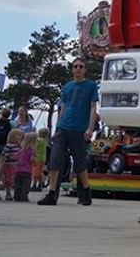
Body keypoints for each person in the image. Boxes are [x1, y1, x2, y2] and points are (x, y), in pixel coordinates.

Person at [38, 58, 98, 206]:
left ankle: (85, 190)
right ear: (72, 69)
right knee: (55, 160)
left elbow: (92, 107)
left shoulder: (90, 86)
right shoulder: (67, 87)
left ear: (85, 70)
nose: (78, 68)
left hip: (79, 129)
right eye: (75, 66)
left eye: (81, 66)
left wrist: (90, 128)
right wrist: (58, 125)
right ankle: (52, 193)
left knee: (79, 163)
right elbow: (63, 107)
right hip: (63, 127)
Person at [0, 127, 23, 200]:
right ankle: (0, 190)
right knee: (9, 180)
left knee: (11, 181)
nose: (21, 137)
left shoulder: (19, 146)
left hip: (16, 165)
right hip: (9, 165)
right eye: (19, 136)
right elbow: (4, 155)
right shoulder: (9, 146)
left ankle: (6, 192)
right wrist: (8, 158)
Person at [13, 131, 36, 202]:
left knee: (17, 184)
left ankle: (17, 196)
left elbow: (16, 157)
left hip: (18, 170)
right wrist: (35, 161)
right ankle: (24, 196)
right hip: (27, 171)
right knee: (25, 185)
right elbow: (32, 160)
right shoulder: (32, 151)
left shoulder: (20, 150)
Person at [32, 127, 48, 192]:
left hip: (37, 158)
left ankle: (34, 185)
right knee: (40, 172)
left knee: (35, 172)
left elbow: (35, 147)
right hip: (43, 158)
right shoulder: (45, 141)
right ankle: (40, 184)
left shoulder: (39, 140)